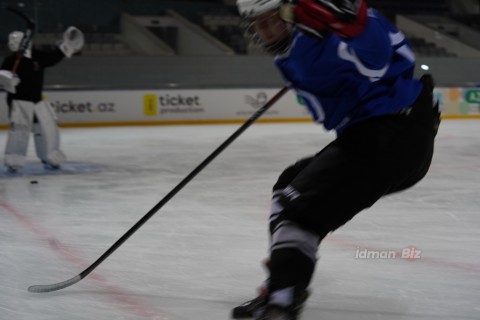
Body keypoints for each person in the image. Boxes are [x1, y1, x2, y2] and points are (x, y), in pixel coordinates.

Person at [232, 0, 441, 319]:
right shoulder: (298, 52)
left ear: (291, 12)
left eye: (273, 20)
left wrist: (354, 24)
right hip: (387, 136)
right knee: (289, 185)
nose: (268, 30)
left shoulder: (326, 30)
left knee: (296, 209)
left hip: (393, 132)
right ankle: (283, 282)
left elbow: (376, 58)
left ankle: (282, 303)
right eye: (260, 24)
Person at [0, 26, 84, 173]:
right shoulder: (10, 61)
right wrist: (6, 82)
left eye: (15, 40)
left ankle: (50, 156)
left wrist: (65, 47)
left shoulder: (37, 56)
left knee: (48, 129)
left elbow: (53, 58)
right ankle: (14, 159)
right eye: (11, 41)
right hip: (19, 102)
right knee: (19, 131)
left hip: (37, 100)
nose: (12, 43)